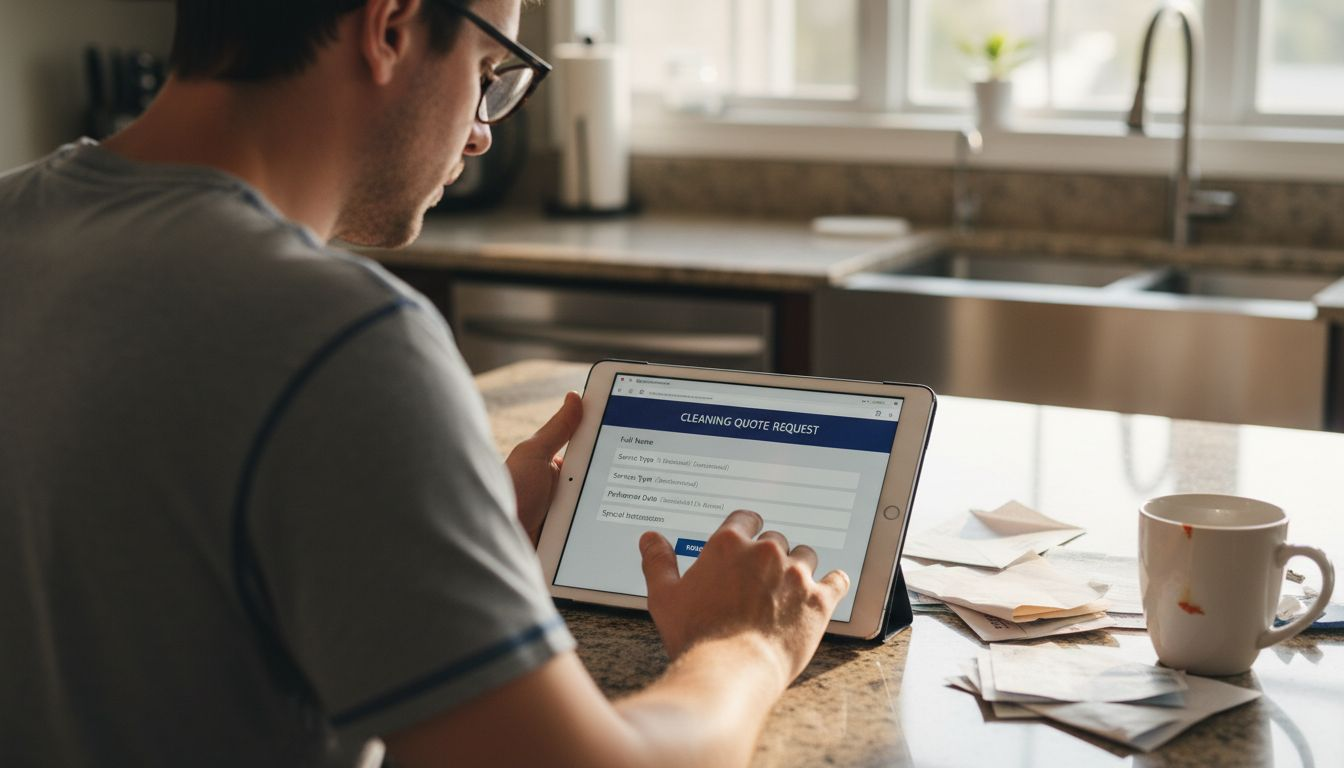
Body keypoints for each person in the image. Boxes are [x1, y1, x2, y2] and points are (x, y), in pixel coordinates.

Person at [0, 1, 849, 765]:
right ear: (392, 28)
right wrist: (748, 644)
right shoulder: (340, 338)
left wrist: (437, 530)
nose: (482, 133)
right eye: (486, 74)